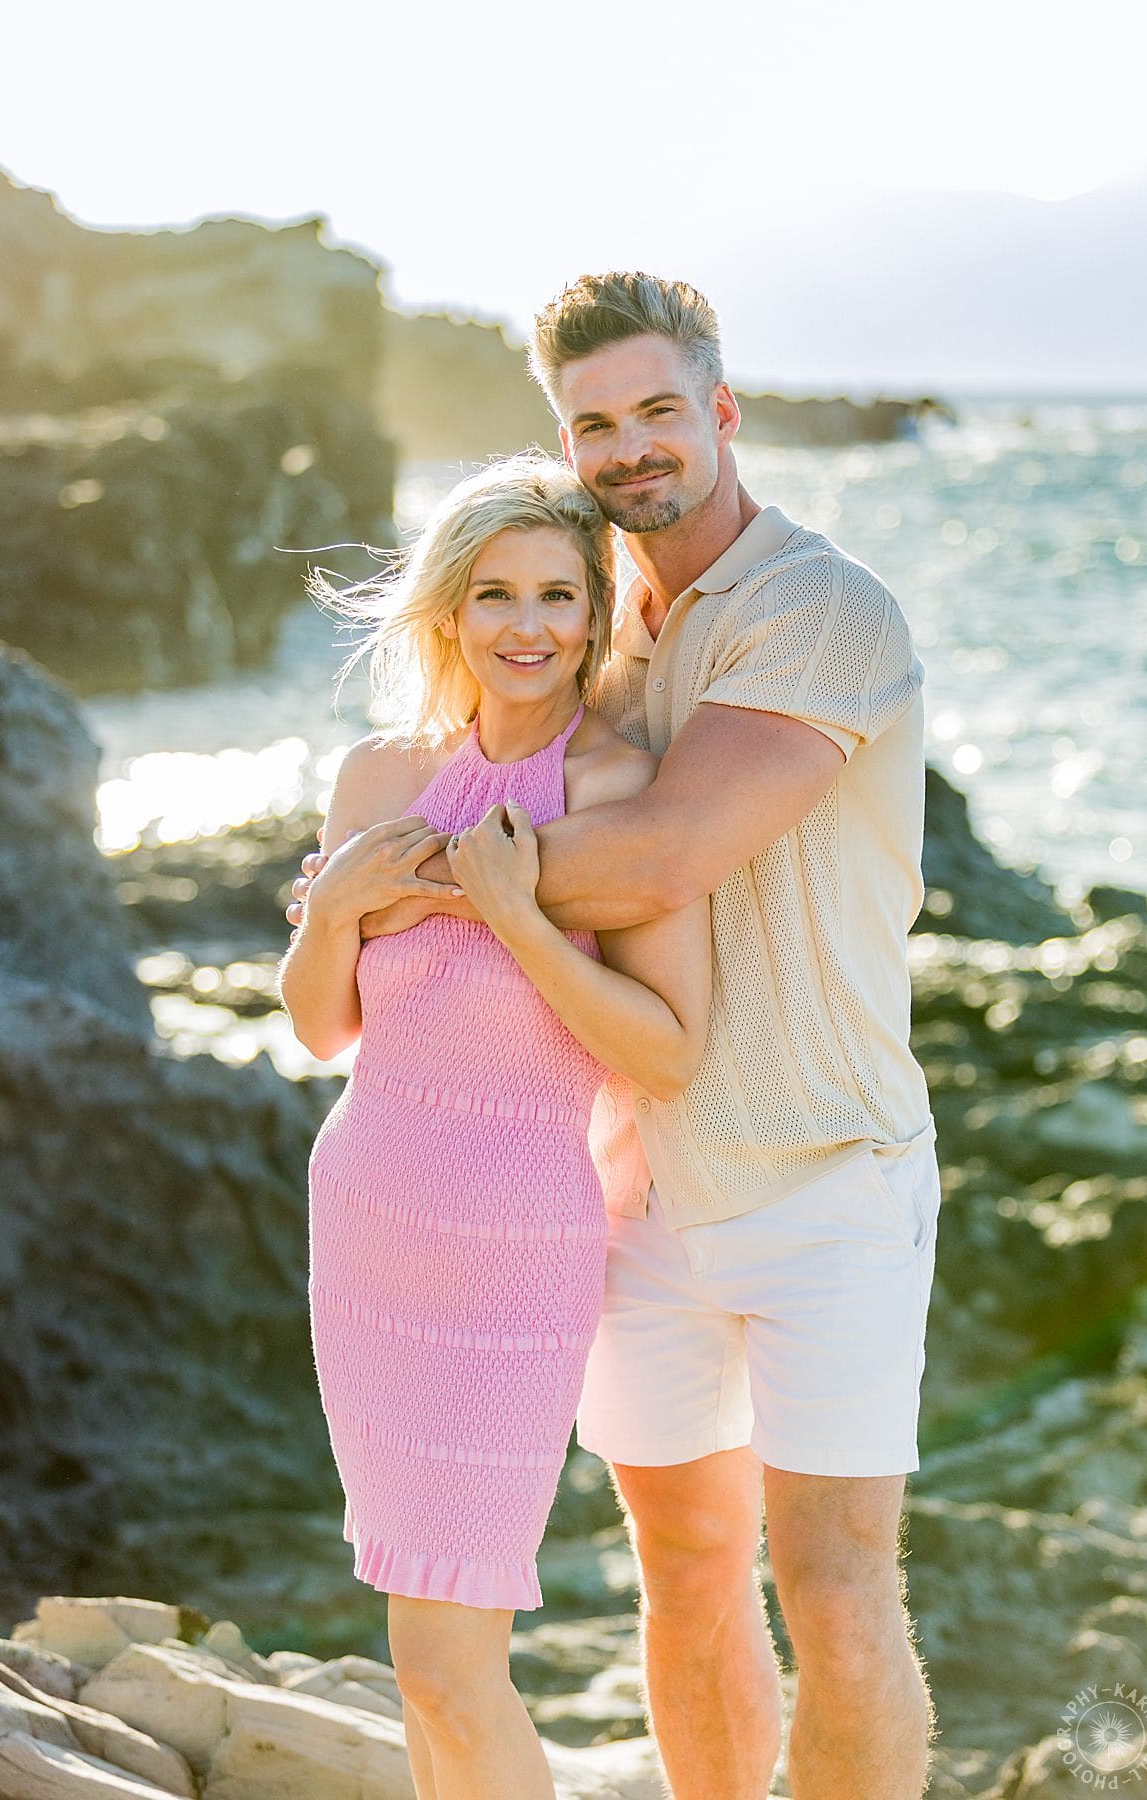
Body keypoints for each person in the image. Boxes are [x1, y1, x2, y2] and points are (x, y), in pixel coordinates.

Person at [290, 272, 942, 1800]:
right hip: (630, 1197)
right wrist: (352, 901)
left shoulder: (816, 608)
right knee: (687, 1572)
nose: (632, 445)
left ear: (723, 410)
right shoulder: (613, 637)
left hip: (819, 1170)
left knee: (836, 1591)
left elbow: (655, 860)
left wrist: (389, 883)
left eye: (659, 409)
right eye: (596, 423)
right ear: (565, 445)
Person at [278, 450, 711, 1800]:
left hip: (510, 1254)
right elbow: (324, 1028)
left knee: (451, 1663)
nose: (528, 626)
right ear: (451, 610)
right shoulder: (380, 776)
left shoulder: (624, 793)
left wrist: (522, 918)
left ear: (595, 614)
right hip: (368, 1232)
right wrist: (336, 908)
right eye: (497, 595)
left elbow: (668, 1051)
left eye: (559, 595)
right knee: (420, 1662)